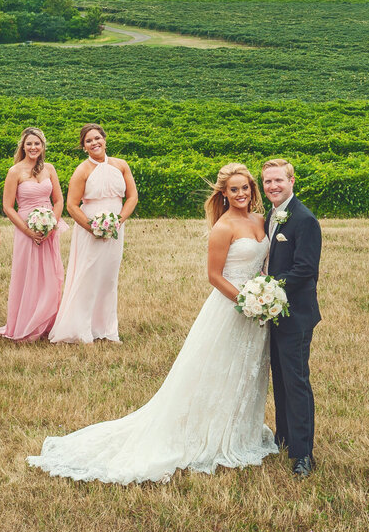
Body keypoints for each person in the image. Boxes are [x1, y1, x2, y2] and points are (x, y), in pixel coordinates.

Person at [28, 163, 278, 484]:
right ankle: (204, 434)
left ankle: (237, 428)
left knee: (244, 372)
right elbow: (214, 277)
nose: (241, 194)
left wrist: (264, 295)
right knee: (216, 372)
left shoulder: (261, 220)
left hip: (257, 312)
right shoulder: (223, 227)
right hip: (230, 309)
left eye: (245, 188)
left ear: (252, 190)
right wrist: (246, 301)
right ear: (224, 194)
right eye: (234, 189)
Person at [50, 124, 139, 344]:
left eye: (97, 138)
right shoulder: (82, 170)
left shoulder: (121, 165)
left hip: (115, 229)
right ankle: (81, 328)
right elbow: (72, 205)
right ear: (84, 146)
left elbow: (132, 196)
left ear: (105, 140)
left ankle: (106, 329)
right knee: (88, 275)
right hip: (90, 228)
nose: (94, 143)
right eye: (89, 141)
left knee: (108, 278)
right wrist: (93, 228)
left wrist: (117, 222)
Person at [262, 158, 322, 477]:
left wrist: (269, 287)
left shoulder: (304, 219)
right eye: (268, 181)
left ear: (291, 181)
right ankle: (283, 438)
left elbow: (305, 269)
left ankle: (303, 454)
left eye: (278, 181)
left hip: (296, 314)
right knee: (281, 379)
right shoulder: (270, 217)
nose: (273, 186)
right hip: (273, 313)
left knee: (296, 382)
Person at [0, 127, 65, 341]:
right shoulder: (14, 171)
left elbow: (59, 200)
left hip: (48, 228)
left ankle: (47, 323)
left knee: (50, 276)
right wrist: (27, 230)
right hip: (26, 229)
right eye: (29, 144)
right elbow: (7, 206)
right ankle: (26, 323)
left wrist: (51, 224)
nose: (33, 147)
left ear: (43, 146)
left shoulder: (50, 169)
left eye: (37, 144)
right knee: (28, 274)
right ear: (23, 147)